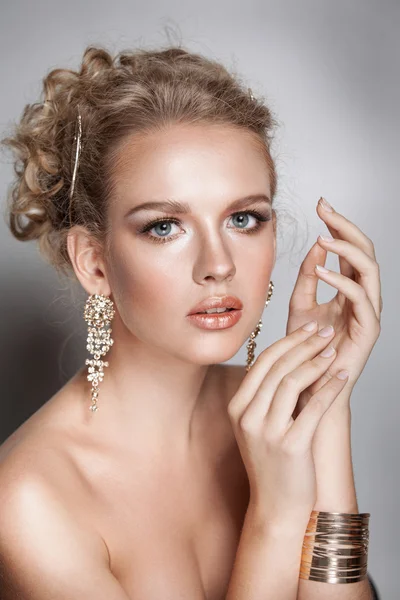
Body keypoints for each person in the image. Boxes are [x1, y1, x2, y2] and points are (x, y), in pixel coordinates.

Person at [0, 44, 381, 599]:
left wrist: (327, 396)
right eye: (164, 227)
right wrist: (276, 516)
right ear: (95, 262)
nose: (219, 265)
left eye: (243, 218)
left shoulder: (275, 418)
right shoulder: (29, 503)